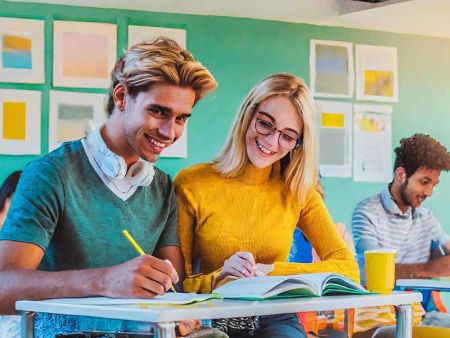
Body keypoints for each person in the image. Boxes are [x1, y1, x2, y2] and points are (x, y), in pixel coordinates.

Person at [0, 37, 217, 317]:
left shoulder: (162, 187)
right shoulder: (51, 173)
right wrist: (105, 281)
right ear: (121, 97)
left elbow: (174, 289)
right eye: (158, 111)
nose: (169, 132)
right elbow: (4, 287)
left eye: (181, 119)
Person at [174, 73, 359, 338]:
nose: (272, 142)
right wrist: (220, 276)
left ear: (298, 143)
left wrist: (269, 270)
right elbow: (180, 286)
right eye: (265, 124)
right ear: (248, 116)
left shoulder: (298, 190)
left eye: (288, 136)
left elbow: (347, 266)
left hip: (277, 317)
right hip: (216, 317)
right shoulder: (192, 183)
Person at [352, 133, 450, 336]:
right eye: (424, 182)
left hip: (422, 315)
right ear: (400, 174)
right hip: (381, 319)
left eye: (434, 184)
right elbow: (374, 273)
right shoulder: (367, 212)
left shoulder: (426, 217)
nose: (430, 191)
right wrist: (428, 269)